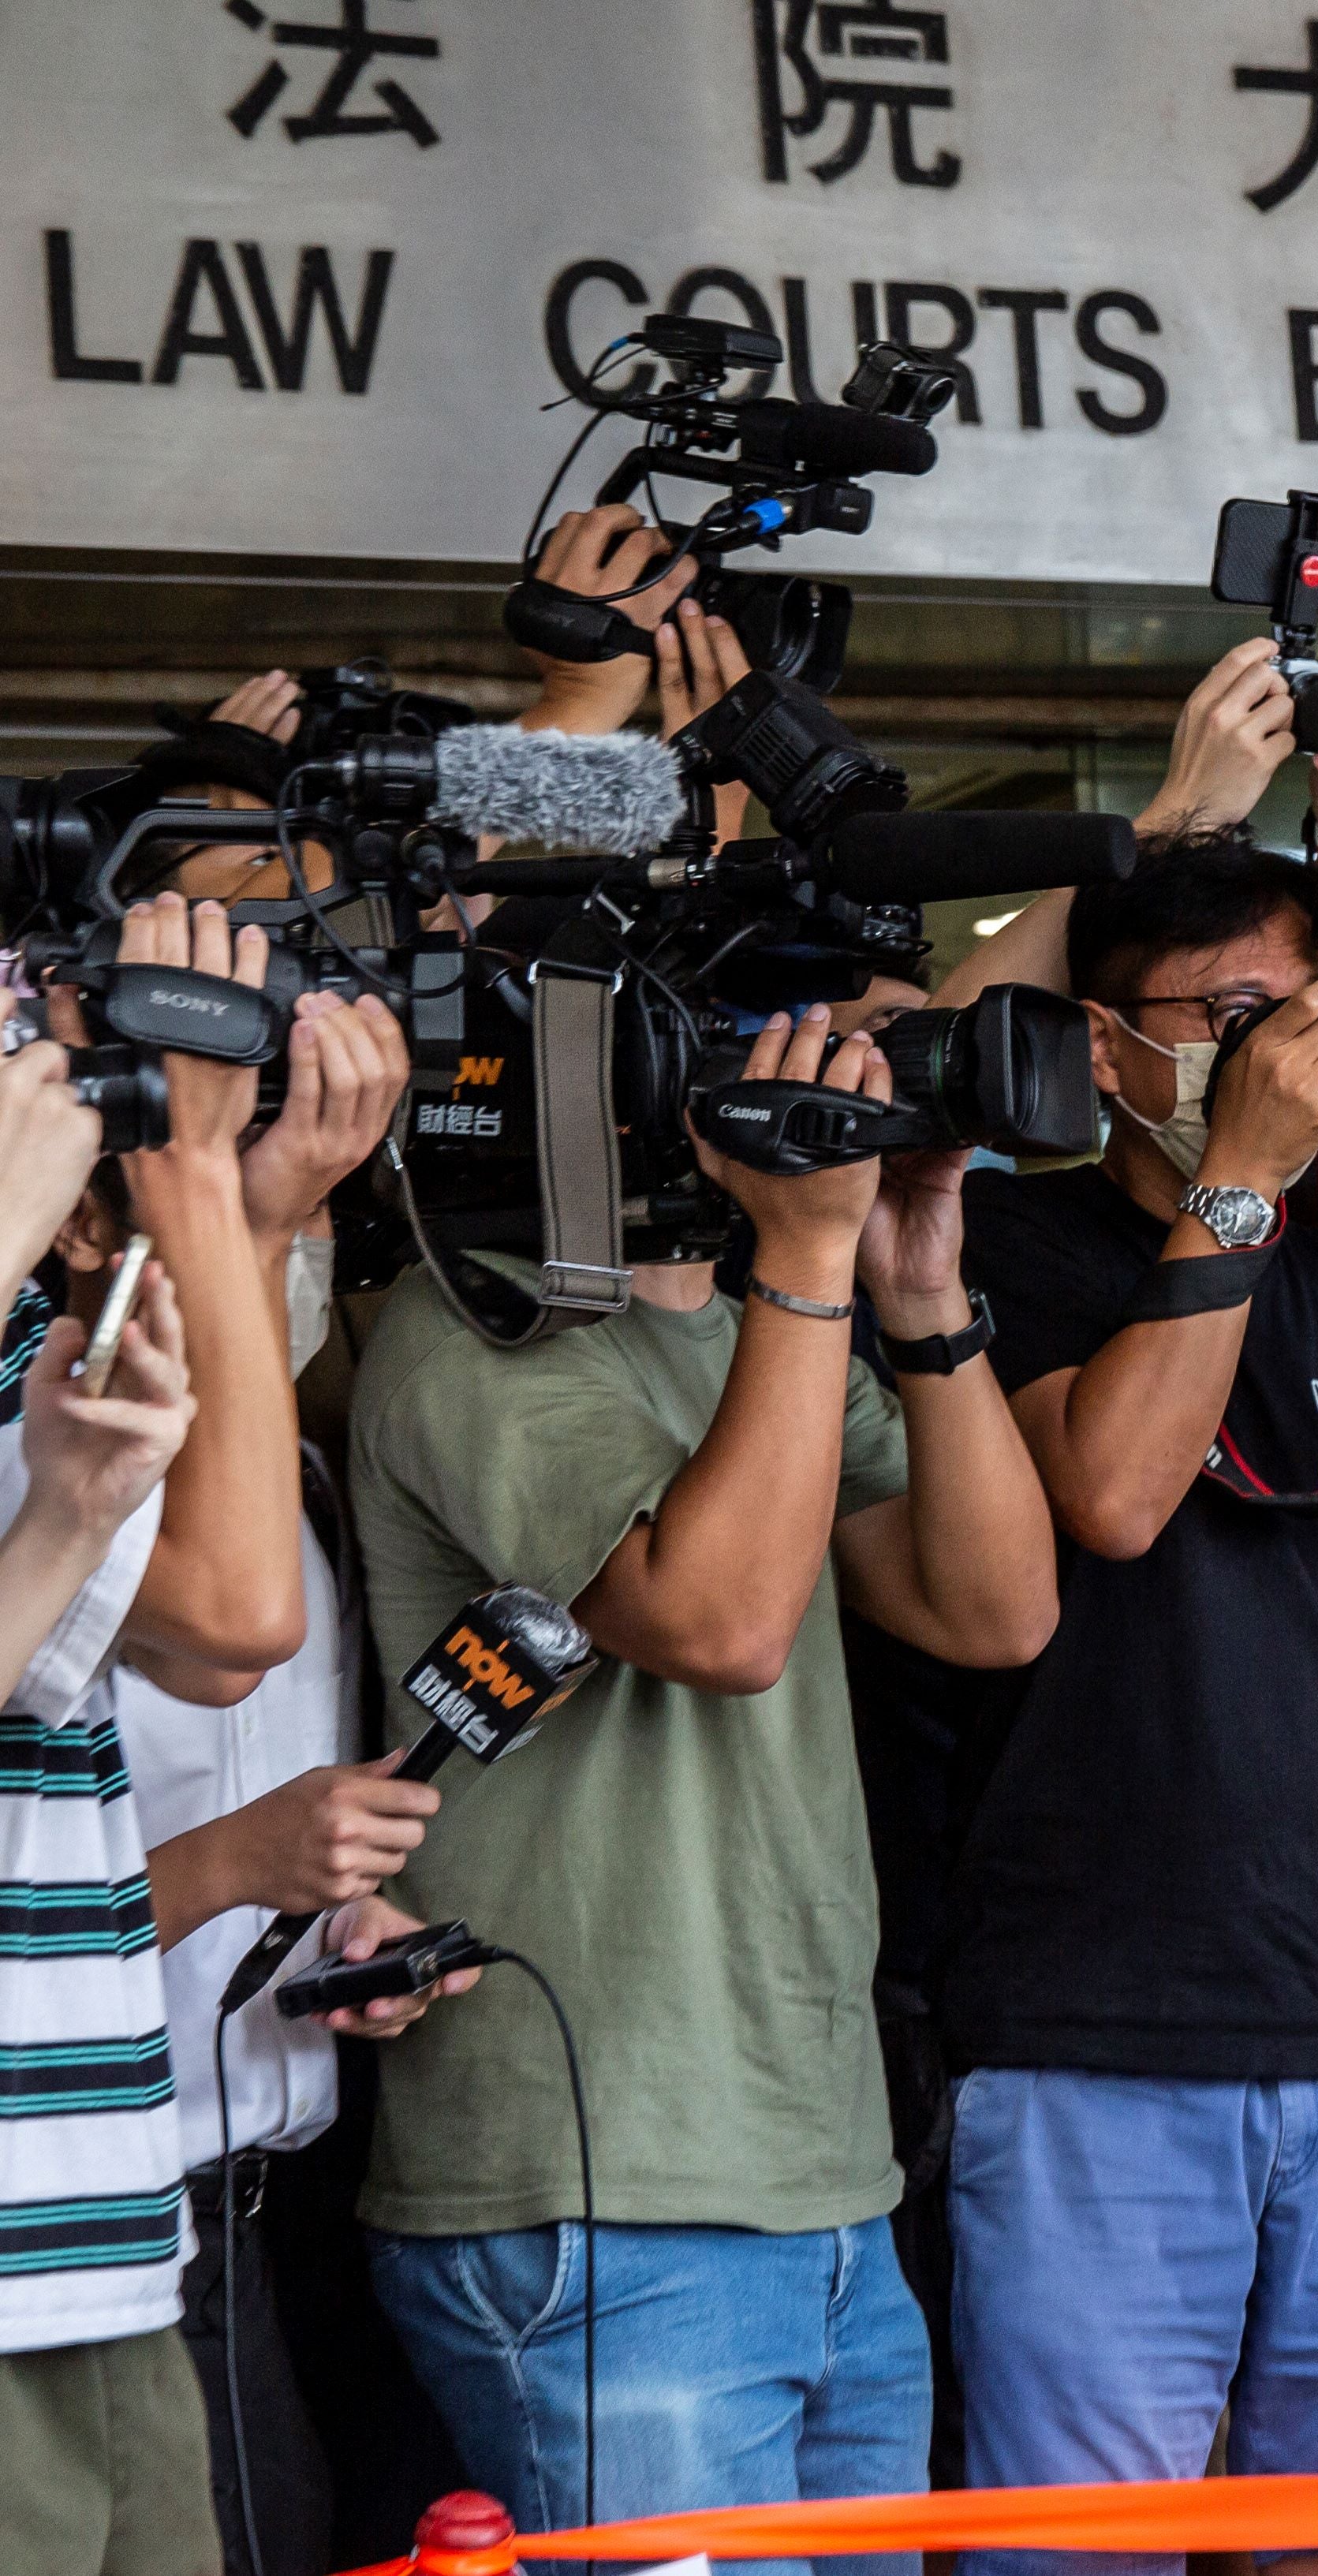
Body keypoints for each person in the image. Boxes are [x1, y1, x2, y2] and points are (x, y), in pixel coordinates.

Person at [345, 994, 1062, 2553]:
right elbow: (722, 1619)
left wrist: (917, 1281)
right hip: (597, 2195)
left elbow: (996, 1607)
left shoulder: (756, 1337)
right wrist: (805, 1259)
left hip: (818, 2173)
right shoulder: (464, 1322)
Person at [939, 827, 1318, 2576]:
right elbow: (1117, 1492)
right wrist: (1236, 1183)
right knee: (1087, 2550)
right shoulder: (1007, 1234)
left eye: (1294, 1007)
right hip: (1100, 2047)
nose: (1273, 1046)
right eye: (1222, 1011)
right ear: (1107, 1041)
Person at [3, 900, 323, 2576]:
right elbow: (239, 1608)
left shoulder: (34, 1359)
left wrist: (219, 1190)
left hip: (108, 2224)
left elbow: (230, 1613)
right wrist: (195, 1176)